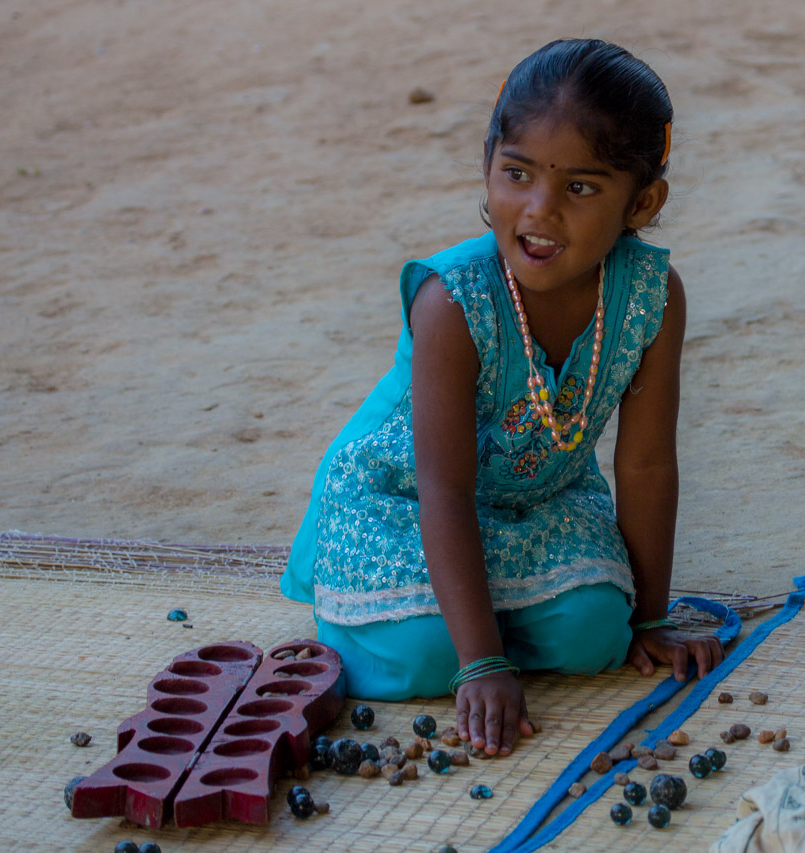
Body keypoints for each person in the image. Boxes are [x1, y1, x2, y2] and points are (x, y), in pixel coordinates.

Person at [282, 38, 723, 757]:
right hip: (404, 504)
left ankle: (488, 619)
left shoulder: (652, 297)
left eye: (581, 188)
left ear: (642, 202)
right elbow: (444, 488)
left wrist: (650, 619)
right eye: (516, 173)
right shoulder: (452, 301)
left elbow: (645, 464)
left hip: (536, 502)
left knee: (596, 635)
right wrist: (483, 662)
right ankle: (396, 624)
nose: (539, 211)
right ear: (487, 163)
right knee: (431, 657)